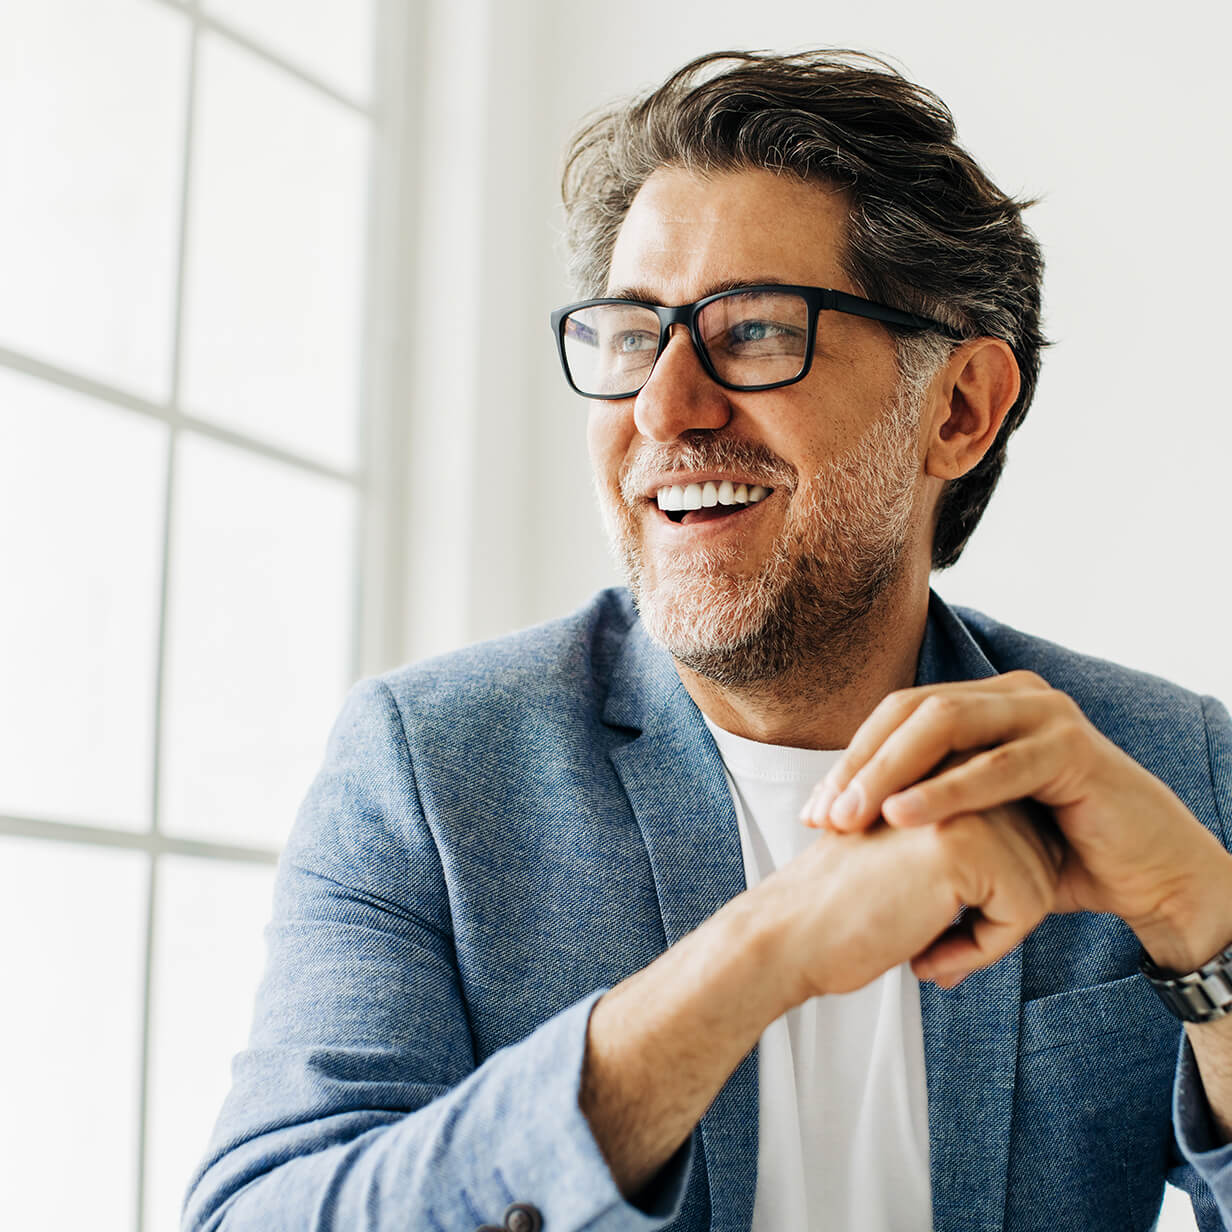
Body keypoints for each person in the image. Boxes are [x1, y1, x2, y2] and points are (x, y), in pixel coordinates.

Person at [182, 50, 1232, 1232]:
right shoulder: (426, 767)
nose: (664, 408)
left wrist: (1216, 941)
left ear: (957, 409)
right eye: (633, 335)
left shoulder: (1165, 767)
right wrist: (754, 958)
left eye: (753, 331)